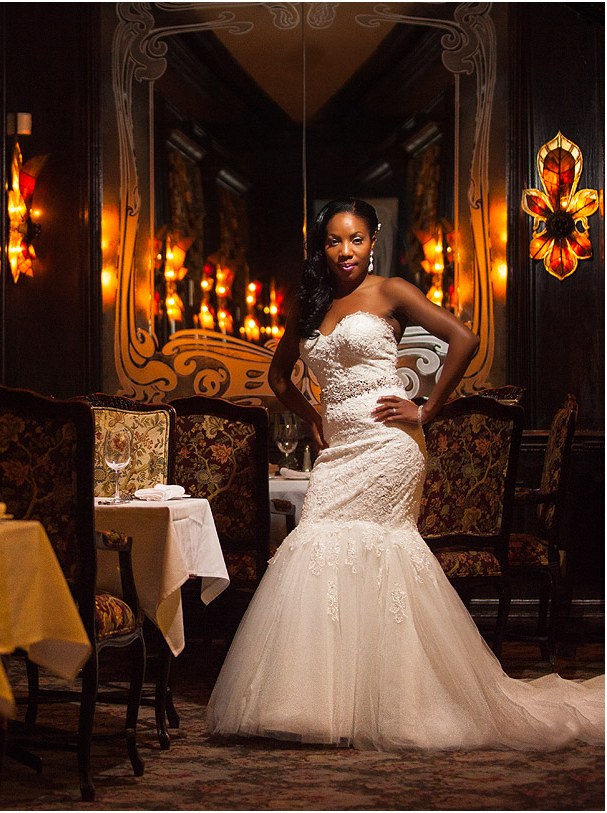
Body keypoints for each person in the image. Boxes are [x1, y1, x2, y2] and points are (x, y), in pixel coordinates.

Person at [205, 198, 603, 750]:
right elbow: (279, 381)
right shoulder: (309, 303)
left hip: (390, 446)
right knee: (317, 548)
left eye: (356, 240)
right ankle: (316, 702)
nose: (345, 251)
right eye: (333, 241)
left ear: (373, 242)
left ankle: (398, 703)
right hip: (339, 451)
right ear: (320, 247)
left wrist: (426, 409)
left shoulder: (391, 291)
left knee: (380, 552)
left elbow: (463, 338)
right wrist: (314, 415)